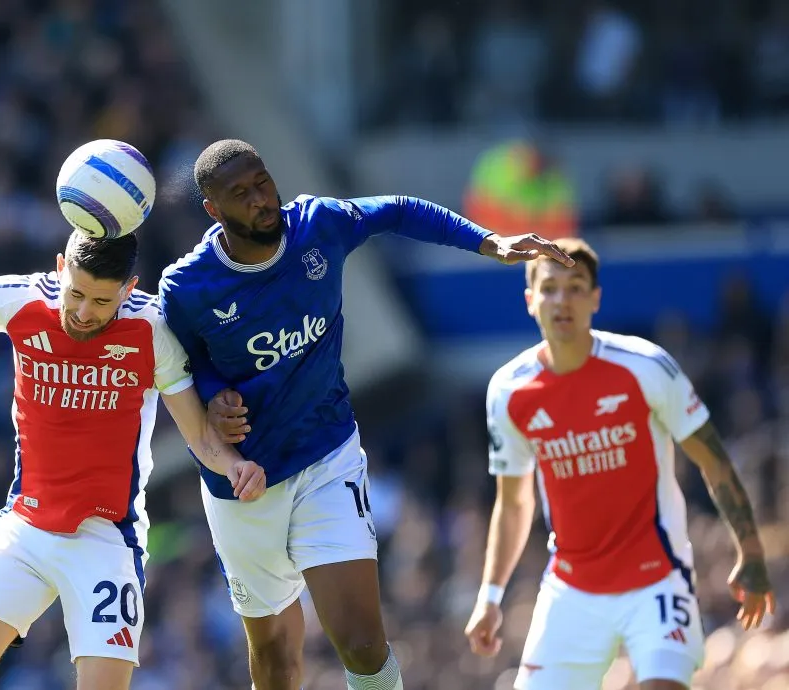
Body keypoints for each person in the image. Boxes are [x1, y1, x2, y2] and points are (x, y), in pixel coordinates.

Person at [157, 138, 573, 690]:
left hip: (328, 456)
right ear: (213, 209)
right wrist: (214, 399)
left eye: (263, 181)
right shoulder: (186, 287)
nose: (262, 198)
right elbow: (184, 367)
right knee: (275, 654)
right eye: (242, 193)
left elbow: (400, 209)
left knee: (360, 642)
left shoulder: (318, 224)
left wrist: (487, 241)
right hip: (244, 483)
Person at [0, 230, 266, 690]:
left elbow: (200, 436)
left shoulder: (152, 329)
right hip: (25, 531)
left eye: (103, 302)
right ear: (60, 267)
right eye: (77, 294)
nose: (85, 313)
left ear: (128, 289)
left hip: (106, 541)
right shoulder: (18, 298)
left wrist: (233, 465)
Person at [464, 237, 776, 690]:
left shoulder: (646, 366)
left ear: (595, 299)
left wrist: (750, 551)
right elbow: (513, 504)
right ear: (531, 301)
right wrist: (490, 597)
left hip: (657, 580)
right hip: (570, 589)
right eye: (549, 288)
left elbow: (716, 463)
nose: (562, 300)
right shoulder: (508, 391)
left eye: (575, 287)